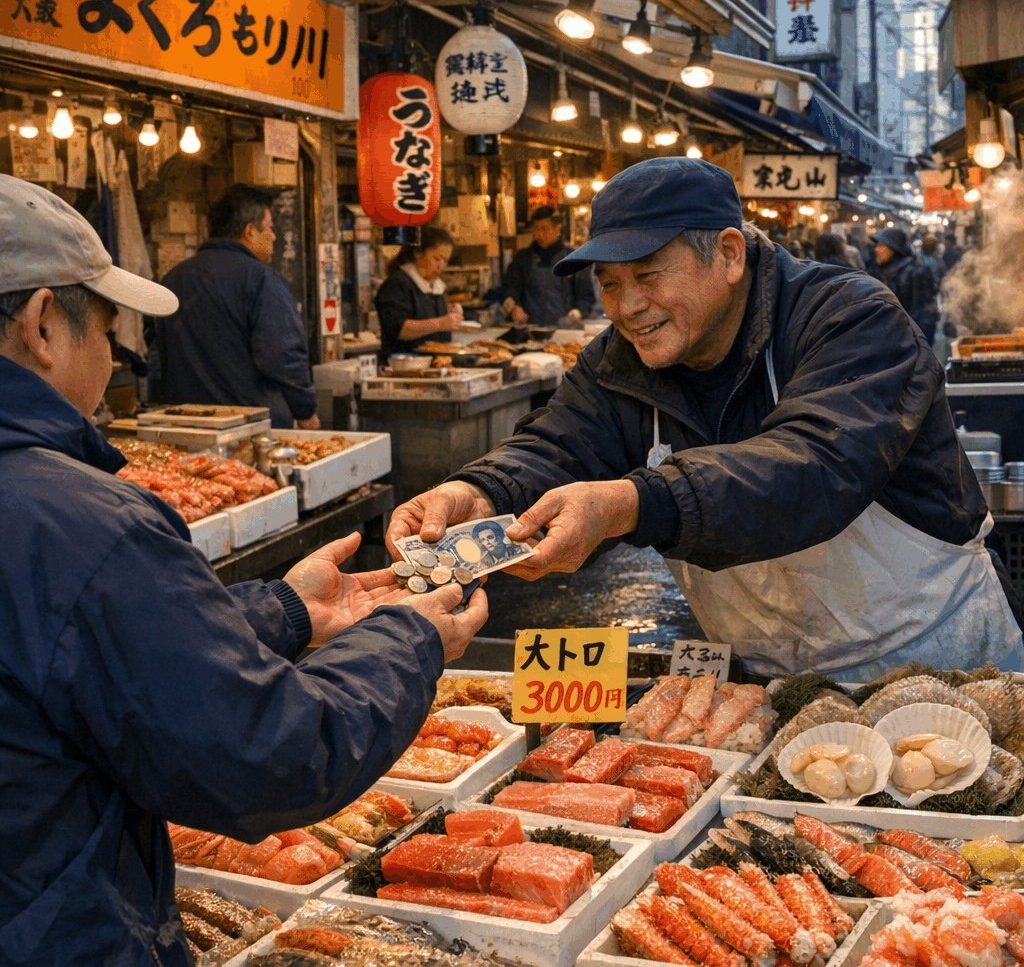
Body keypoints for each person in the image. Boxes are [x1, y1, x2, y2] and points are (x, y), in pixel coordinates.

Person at [0, 175, 487, 965]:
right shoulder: (86, 522)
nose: (116, 352)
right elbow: (267, 758)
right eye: (111, 327)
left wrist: (284, 614)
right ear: (44, 323)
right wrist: (409, 636)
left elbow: (65, 651)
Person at [387, 157, 1023, 684]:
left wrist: (633, 502)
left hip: (946, 666)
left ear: (727, 254)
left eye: (648, 275)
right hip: (776, 680)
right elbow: (559, 443)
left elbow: (814, 465)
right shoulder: (619, 359)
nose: (628, 306)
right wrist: (481, 490)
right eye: (608, 284)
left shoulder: (851, 318)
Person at [156, 184, 320, 429]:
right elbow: (282, 356)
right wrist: (306, 412)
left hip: (184, 427)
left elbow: (158, 358)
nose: (274, 236)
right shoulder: (262, 279)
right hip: (250, 430)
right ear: (250, 232)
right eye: (270, 228)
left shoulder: (172, 279)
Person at [374, 226, 462, 361]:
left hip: (437, 365)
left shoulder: (436, 286)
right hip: (405, 368)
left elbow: (423, 313)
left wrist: (450, 312)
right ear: (418, 252)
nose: (441, 265)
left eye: (445, 260)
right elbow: (399, 328)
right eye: (437, 259)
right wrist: (441, 323)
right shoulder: (397, 284)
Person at [502, 206, 596, 326]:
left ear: (558, 228)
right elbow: (510, 288)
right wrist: (514, 307)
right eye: (535, 229)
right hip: (529, 331)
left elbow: (587, 297)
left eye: (544, 229)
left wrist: (577, 311)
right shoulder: (522, 259)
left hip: (565, 332)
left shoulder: (574, 259)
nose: (539, 234)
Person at [872, 227, 940, 346]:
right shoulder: (883, 271)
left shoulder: (912, 272)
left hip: (907, 342)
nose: (877, 249)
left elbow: (919, 312)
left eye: (882, 245)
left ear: (894, 248)